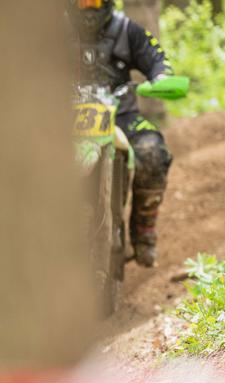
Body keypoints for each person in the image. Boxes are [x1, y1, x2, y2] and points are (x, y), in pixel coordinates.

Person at [68, 0, 176, 267]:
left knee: (151, 152)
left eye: (93, 1)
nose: (88, 8)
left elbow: (157, 59)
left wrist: (160, 78)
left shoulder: (127, 30)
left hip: (122, 117)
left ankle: (143, 230)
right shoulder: (54, 32)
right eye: (82, 2)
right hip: (65, 121)